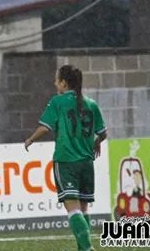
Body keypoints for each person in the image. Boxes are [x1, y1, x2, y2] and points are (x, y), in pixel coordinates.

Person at [24, 64, 107, 251]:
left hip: (66, 162)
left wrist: (30, 139)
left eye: (56, 80)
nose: (55, 83)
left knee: (73, 210)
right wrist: (97, 142)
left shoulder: (58, 102)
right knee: (83, 209)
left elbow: (45, 127)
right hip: (86, 163)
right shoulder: (91, 104)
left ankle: (87, 249)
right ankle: (82, 248)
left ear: (63, 83)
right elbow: (103, 133)